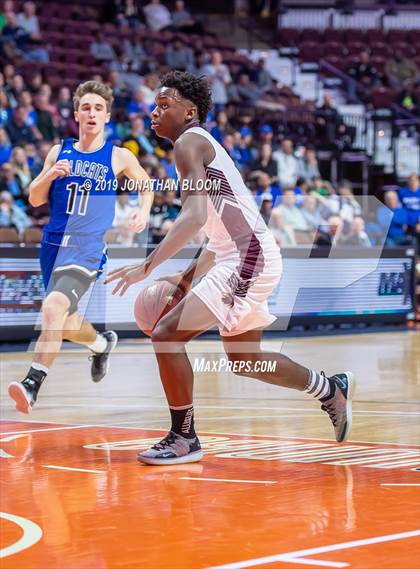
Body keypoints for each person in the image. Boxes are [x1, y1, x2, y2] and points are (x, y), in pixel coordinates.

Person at [105, 71, 355, 465]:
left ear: (190, 112)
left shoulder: (189, 142)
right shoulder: (197, 146)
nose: (154, 112)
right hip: (246, 255)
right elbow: (214, 231)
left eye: (164, 105)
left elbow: (192, 216)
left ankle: (184, 437)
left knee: (167, 335)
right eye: (154, 105)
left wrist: (148, 265)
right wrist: (186, 278)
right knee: (244, 360)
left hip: (247, 259)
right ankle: (329, 389)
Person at [8, 80, 153, 415]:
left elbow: (145, 184)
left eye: (98, 108)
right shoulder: (59, 152)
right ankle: (102, 345)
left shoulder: (118, 156)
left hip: (87, 250)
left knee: (51, 310)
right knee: (65, 320)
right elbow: (34, 198)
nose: (91, 113)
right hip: (52, 247)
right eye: (85, 107)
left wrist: (142, 211)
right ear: (76, 114)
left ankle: (32, 384)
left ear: (106, 117)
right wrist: (49, 176)